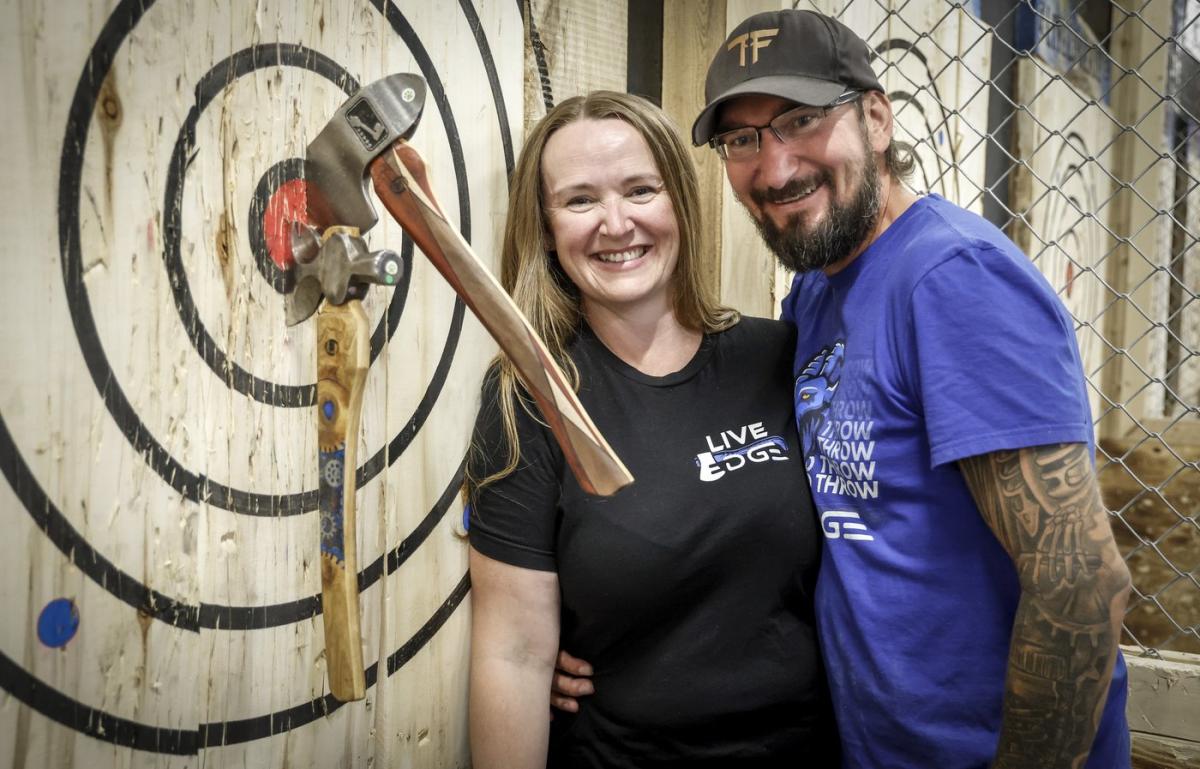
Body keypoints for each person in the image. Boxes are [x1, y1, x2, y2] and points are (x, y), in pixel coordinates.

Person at [553, 9, 1133, 769]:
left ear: (877, 117)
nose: (776, 166)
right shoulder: (817, 300)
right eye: (742, 140)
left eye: (802, 119)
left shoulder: (954, 280)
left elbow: (1079, 582)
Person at [466, 90, 839, 768]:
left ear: (679, 202)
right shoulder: (533, 397)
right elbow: (513, 652)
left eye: (640, 189)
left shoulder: (779, 357)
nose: (616, 223)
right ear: (546, 226)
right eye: (580, 200)